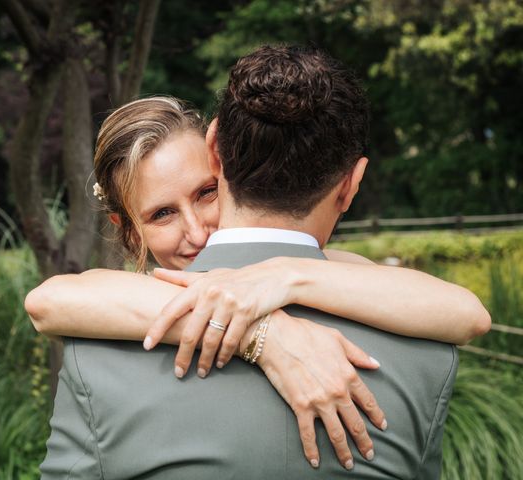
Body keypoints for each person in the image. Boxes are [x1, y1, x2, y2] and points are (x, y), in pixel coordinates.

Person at [29, 45, 490, 478]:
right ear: (129, 229)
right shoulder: (109, 311)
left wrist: (282, 276)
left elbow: (467, 313)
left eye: (206, 193)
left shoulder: (330, 275)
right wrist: (263, 333)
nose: (196, 231)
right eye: (162, 214)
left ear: (219, 159)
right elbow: (48, 301)